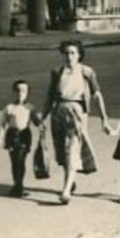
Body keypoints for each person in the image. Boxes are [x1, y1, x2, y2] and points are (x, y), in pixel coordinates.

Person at [39, 40, 113, 205]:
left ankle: (65, 191)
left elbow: (97, 95)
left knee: (72, 149)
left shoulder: (87, 72)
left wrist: (104, 120)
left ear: (79, 55)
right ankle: (70, 182)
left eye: (73, 53)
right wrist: (42, 117)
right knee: (63, 152)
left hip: (78, 113)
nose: (69, 56)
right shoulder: (57, 72)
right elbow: (50, 96)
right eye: (66, 53)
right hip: (59, 112)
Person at [0, 80, 36, 198]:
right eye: (17, 90)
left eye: (23, 91)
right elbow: (3, 124)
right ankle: (17, 185)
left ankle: (19, 185)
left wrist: (42, 124)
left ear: (28, 93)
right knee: (15, 161)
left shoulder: (30, 107)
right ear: (13, 92)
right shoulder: (9, 108)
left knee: (21, 161)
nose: (20, 93)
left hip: (25, 136)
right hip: (12, 135)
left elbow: (36, 121)